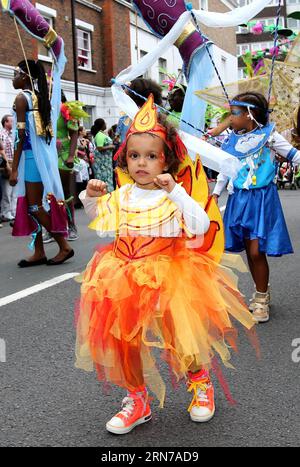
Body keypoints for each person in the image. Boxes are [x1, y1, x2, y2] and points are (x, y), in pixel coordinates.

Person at [75, 96, 256, 435]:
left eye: (151, 156)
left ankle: (201, 384)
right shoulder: (123, 195)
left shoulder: (170, 194)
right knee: (125, 340)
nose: (141, 163)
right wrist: (91, 198)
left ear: (167, 160)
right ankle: (137, 399)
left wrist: (177, 193)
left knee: (180, 335)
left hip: (169, 276)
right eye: (134, 155)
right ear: (125, 159)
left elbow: (200, 225)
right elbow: (100, 222)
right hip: (122, 276)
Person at [212, 92, 300, 323]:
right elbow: (226, 168)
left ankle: (261, 297)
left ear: (250, 114)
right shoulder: (232, 140)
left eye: (234, 114)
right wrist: (215, 193)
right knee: (248, 249)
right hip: (239, 199)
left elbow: (294, 156)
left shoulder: (269, 137)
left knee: (256, 250)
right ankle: (261, 291)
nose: (230, 119)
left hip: (262, 199)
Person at [10, 59, 74, 267]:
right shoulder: (38, 97)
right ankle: (39, 251)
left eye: (16, 74)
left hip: (30, 159)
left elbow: (21, 136)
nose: (14, 78)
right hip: (38, 159)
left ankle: (63, 245)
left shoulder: (22, 98)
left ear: (26, 77)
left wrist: (13, 168)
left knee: (35, 206)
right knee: (31, 206)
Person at [91, 118, 115, 192]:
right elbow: (99, 147)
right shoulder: (99, 135)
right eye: (105, 123)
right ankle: (104, 195)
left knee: (107, 178)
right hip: (102, 163)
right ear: (101, 125)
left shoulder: (102, 134)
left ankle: (108, 194)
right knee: (103, 179)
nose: (106, 125)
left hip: (106, 162)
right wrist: (111, 146)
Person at [0, 114, 16, 222]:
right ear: (5, 122)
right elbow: (2, 151)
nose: (13, 122)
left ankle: (13, 211)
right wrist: (7, 165)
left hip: (13, 163)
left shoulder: (12, 134)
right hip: (7, 163)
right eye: (11, 121)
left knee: (14, 190)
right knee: (7, 190)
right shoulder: (2, 135)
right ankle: (6, 212)